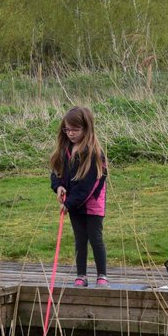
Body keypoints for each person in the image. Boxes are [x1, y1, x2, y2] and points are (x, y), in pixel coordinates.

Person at [49, 106, 108, 287]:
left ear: (86, 128)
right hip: (74, 203)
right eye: (67, 129)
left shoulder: (93, 153)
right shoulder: (64, 149)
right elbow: (56, 172)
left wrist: (69, 204)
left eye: (75, 129)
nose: (71, 134)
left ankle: (102, 275)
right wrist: (58, 186)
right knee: (80, 238)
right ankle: (81, 275)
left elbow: (86, 188)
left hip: (92, 203)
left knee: (95, 237)